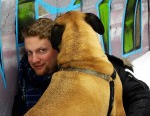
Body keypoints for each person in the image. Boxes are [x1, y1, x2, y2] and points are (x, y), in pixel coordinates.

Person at [12, 18, 150, 116]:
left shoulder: (98, 68)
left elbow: (139, 95)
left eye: (42, 51)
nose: (34, 59)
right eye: (30, 52)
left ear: (59, 47)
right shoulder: (27, 84)